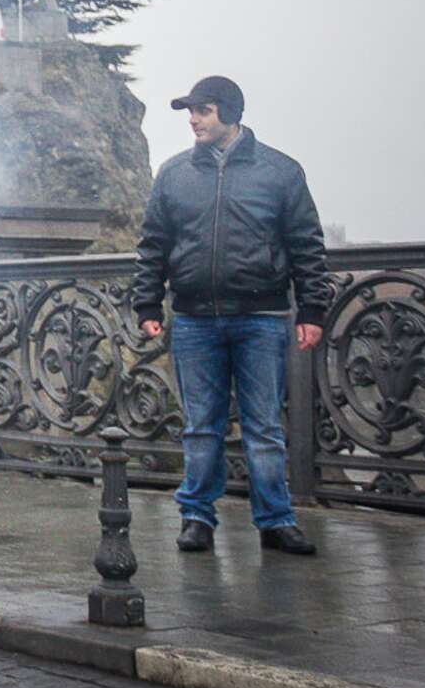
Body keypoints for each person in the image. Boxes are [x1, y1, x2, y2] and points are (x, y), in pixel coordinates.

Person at [131, 75, 330, 558]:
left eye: (202, 110)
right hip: (195, 318)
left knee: (263, 426)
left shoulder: (280, 172)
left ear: (228, 112)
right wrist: (147, 303)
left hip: (262, 315)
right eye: (191, 112)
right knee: (201, 425)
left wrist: (313, 309)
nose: (193, 120)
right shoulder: (174, 174)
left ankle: (276, 520)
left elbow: (306, 244)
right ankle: (196, 517)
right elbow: (153, 244)